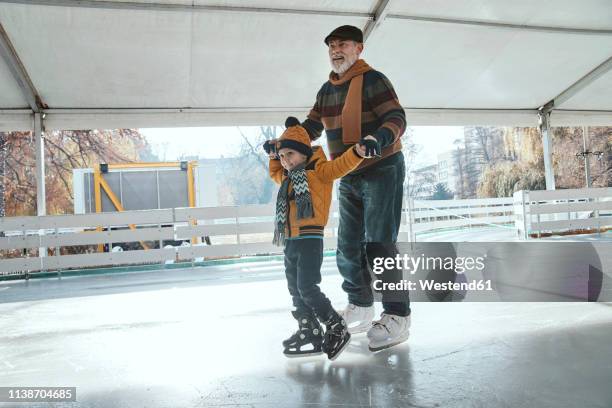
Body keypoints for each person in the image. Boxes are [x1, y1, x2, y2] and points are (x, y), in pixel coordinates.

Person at [300, 25, 411, 352]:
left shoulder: (373, 80)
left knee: (378, 243)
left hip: (381, 167)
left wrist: (379, 137)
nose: (336, 50)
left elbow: (396, 116)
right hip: (347, 171)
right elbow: (311, 126)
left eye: (343, 45)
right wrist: (287, 140)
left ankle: (397, 314)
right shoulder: (327, 89)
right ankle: (361, 306)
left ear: (358, 48)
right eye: (332, 46)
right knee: (348, 244)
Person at [264, 116, 365, 360]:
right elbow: (275, 171)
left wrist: (358, 152)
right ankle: (309, 330)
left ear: (303, 153)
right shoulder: (287, 177)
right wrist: (272, 155)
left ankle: (335, 324)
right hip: (291, 240)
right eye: (283, 157)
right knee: (295, 289)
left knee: (307, 287)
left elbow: (340, 166)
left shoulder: (318, 171)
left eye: (290, 155)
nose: (286, 161)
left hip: (310, 239)